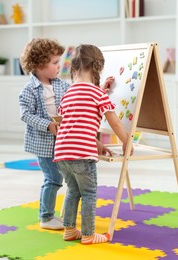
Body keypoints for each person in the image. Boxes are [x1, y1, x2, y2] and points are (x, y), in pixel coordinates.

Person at [19, 39, 115, 230]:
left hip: (64, 141)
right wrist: (47, 125)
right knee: (53, 179)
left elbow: (81, 98)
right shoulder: (29, 89)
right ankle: (46, 217)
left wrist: (101, 91)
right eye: (54, 63)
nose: (59, 66)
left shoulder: (62, 86)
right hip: (44, 144)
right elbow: (25, 114)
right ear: (38, 65)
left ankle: (62, 217)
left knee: (64, 181)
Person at [54, 44, 133, 245]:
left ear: (74, 68)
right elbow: (114, 121)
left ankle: (70, 230)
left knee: (73, 191)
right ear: (97, 68)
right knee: (89, 193)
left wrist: (95, 142)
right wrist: (126, 141)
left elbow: (72, 124)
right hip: (82, 156)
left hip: (62, 154)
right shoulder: (98, 95)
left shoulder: (68, 93)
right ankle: (89, 234)